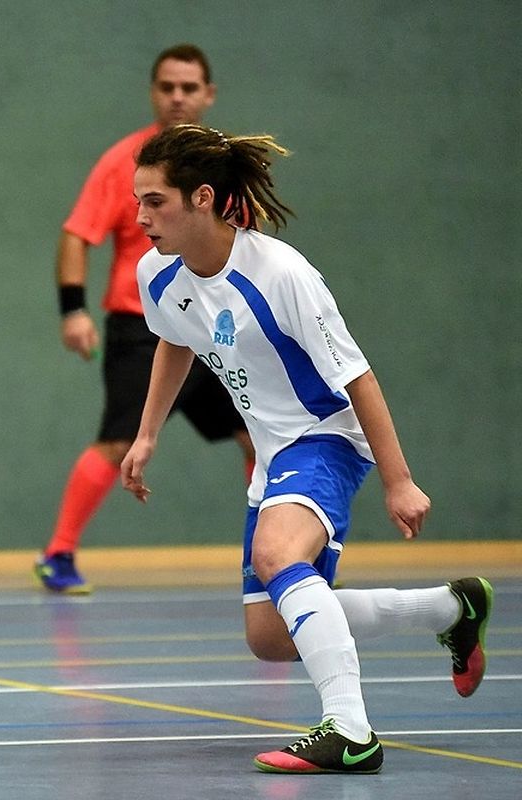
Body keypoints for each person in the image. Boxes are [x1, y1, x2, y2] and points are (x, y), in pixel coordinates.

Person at [119, 123, 493, 774]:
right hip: (274, 453)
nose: (141, 215)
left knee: (276, 553)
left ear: (202, 197)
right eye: (138, 200)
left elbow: (357, 376)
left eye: (155, 200)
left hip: (325, 435)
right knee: (271, 637)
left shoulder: (281, 274)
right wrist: (147, 433)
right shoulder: (157, 273)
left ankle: (350, 729)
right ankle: (451, 607)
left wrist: (398, 481)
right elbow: (176, 339)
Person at [37, 44, 254, 594]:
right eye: (167, 87)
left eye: (189, 87)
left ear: (208, 94)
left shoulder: (226, 171)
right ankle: (58, 554)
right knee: (119, 443)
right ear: (154, 93)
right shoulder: (125, 164)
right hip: (145, 330)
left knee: (260, 436)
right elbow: (76, 233)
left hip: (218, 329)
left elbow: (246, 247)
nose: (178, 96)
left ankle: (274, 558)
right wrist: (73, 310)